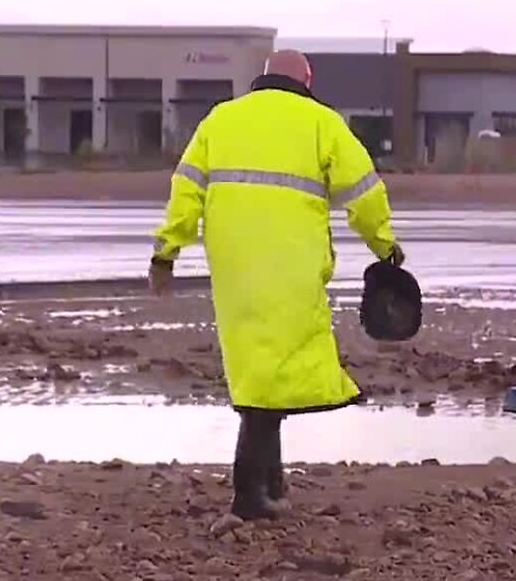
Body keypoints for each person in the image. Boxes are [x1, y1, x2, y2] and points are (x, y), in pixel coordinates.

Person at [148, 49, 405, 520]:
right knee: (274, 372)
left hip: (234, 266)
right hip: (292, 265)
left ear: (263, 76)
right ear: (308, 79)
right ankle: (250, 493)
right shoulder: (321, 122)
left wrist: (166, 252)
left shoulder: (220, 120)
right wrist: (385, 247)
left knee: (261, 369)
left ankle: (270, 484)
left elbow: (185, 188)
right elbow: (365, 193)